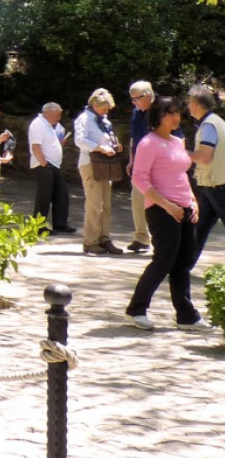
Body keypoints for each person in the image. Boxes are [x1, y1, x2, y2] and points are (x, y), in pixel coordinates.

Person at [125, 96, 214, 332]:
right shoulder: (148, 143)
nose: (176, 117)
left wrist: (193, 202)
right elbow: (139, 178)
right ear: (158, 116)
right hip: (161, 209)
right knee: (164, 259)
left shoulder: (177, 141)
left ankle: (186, 316)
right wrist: (166, 205)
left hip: (184, 207)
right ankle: (136, 310)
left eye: (177, 112)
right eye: (170, 113)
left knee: (183, 263)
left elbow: (181, 174)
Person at [75, 88, 125, 256]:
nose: (107, 111)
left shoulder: (103, 120)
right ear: (95, 104)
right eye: (104, 108)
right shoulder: (85, 119)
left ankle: (104, 239)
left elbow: (106, 137)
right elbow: (79, 140)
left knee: (106, 205)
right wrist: (99, 148)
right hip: (90, 163)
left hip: (105, 165)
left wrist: (114, 145)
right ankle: (90, 241)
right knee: (94, 203)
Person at [187, 84, 225, 265]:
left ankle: (183, 266)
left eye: (189, 102)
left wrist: (181, 153)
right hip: (213, 185)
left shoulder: (209, 126)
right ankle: (184, 266)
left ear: (195, 103)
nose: (187, 105)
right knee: (199, 229)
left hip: (217, 185)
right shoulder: (217, 122)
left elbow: (204, 157)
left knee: (199, 229)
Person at [29, 102, 73, 234]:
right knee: (44, 196)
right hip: (45, 165)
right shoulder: (38, 124)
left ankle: (60, 224)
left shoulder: (50, 125)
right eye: (57, 115)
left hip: (53, 165)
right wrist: (44, 164)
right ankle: (38, 227)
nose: (59, 118)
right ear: (48, 112)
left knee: (61, 193)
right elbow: (35, 146)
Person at [126, 81, 156, 253]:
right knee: (137, 199)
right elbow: (133, 138)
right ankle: (141, 238)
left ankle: (159, 239)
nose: (134, 102)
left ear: (148, 95)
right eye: (132, 99)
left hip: (157, 164)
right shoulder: (136, 113)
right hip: (139, 163)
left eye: (137, 98)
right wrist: (131, 160)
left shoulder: (161, 111)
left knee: (158, 201)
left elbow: (175, 138)